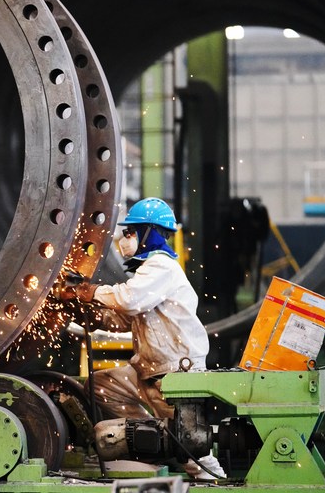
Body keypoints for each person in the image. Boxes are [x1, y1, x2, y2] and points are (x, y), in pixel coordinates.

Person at [64, 197, 225, 479]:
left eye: (129, 233)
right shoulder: (148, 273)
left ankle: (213, 481)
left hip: (175, 376)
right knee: (100, 386)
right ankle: (151, 442)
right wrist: (82, 311)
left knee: (192, 451)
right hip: (146, 371)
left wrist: (89, 292)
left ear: (148, 233)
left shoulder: (161, 267)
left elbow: (129, 300)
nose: (124, 240)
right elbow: (122, 319)